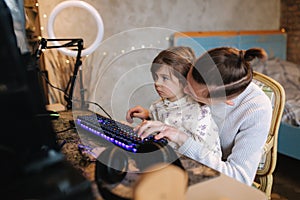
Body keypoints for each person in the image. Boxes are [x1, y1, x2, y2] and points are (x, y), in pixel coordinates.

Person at [126, 46, 272, 186]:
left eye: (192, 92)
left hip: (213, 176)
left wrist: (182, 139)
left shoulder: (256, 109)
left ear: (225, 101)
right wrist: (153, 116)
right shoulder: (211, 68)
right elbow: (183, 113)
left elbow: (239, 178)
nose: (185, 90)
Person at [126, 46, 221, 157]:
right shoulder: (160, 105)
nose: (157, 83)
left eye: (165, 78)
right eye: (156, 77)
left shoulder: (199, 111)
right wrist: (148, 117)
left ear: (184, 80)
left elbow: (204, 153)